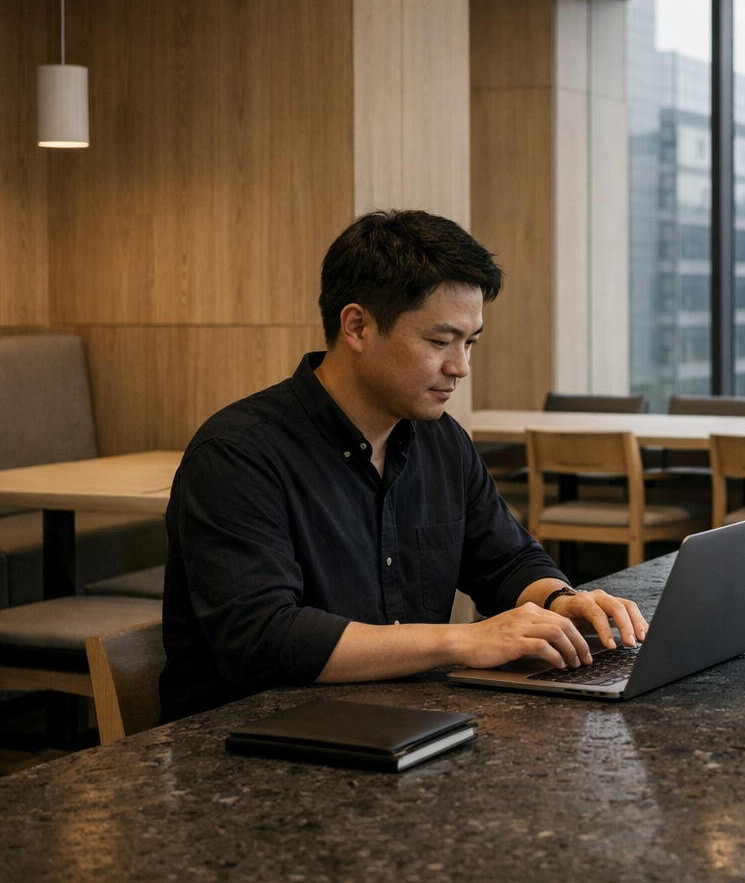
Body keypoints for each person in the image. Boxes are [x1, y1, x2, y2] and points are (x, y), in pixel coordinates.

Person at [159, 211, 647, 721]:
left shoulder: (440, 439)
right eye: (440, 342)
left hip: (399, 722)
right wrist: (464, 640)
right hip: (250, 745)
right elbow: (264, 639)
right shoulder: (238, 453)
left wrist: (560, 602)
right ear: (357, 326)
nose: (460, 367)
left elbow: (505, 561)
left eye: (470, 342)